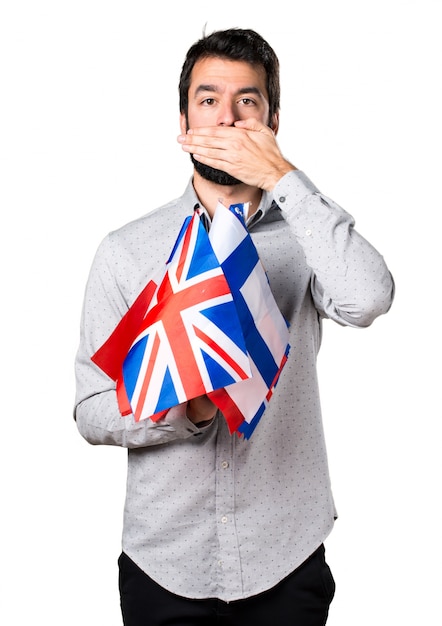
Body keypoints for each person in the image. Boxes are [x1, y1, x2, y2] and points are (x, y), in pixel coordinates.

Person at [74, 27, 394, 626]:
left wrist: (284, 179)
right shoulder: (127, 250)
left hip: (286, 557)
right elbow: (91, 409)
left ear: (273, 121)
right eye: (208, 100)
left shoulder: (307, 239)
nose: (226, 119)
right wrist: (183, 412)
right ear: (184, 119)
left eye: (247, 102)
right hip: (164, 562)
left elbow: (370, 297)